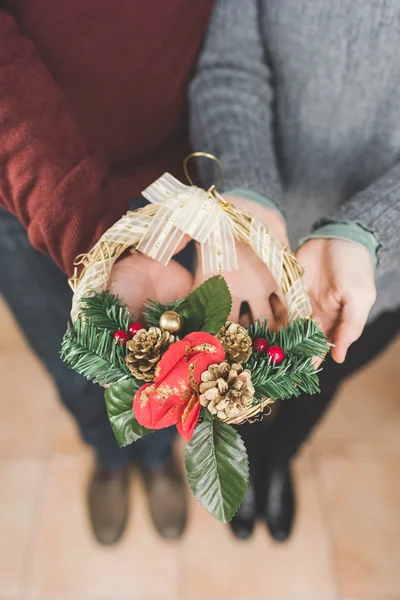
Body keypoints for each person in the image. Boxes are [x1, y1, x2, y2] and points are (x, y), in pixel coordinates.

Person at [0, 1, 214, 544]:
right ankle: (108, 455)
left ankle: (158, 453)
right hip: (29, 189)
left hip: (171, 185)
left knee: (164, 362)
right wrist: (98, 244)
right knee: (71, 360)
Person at [189, 0, 400, 541]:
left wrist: (370, 228)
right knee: (235, 384)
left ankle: (280, 459)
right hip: (248, 262)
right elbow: (229, 71)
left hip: (378, 277)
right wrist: (245, 193)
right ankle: (245, 463)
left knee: (319, 383)